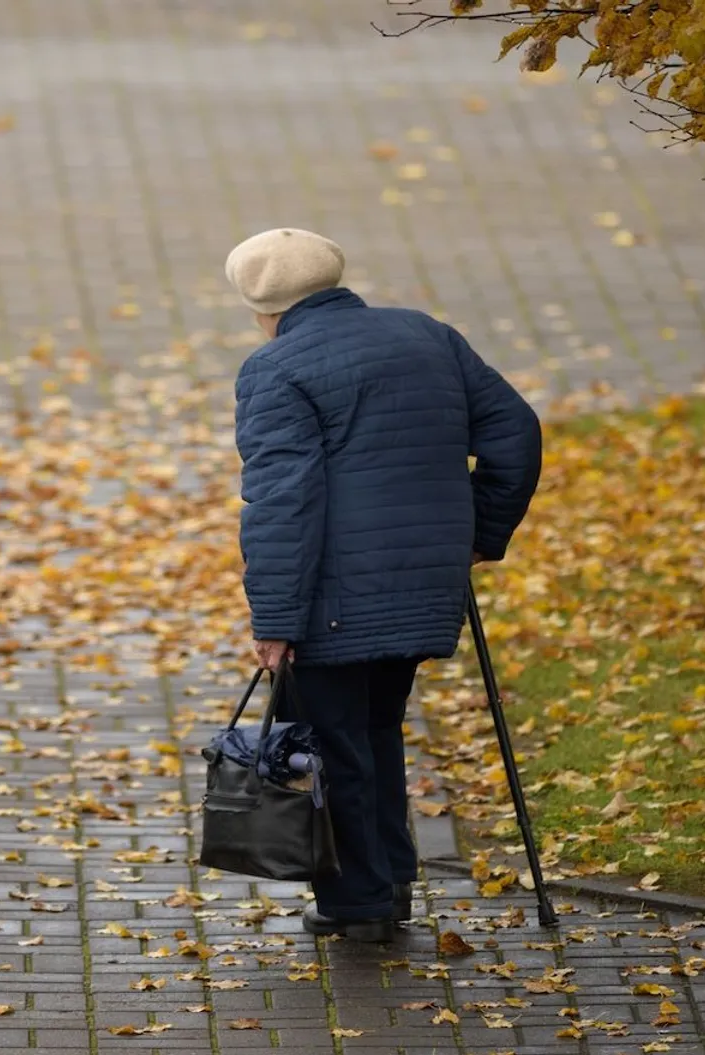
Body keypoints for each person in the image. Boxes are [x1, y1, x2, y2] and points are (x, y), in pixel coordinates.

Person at [225, 227, 542, 943]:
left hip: (332, 598)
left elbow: (283, 501)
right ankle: (390, 878)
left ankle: (360, 903)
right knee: (372, 728)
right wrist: (476, 538)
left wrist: (274, 619)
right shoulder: (427, 335)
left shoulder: (275, 368)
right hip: (422, 581)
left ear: (261, 307)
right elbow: (516, 434)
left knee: (337, 742)